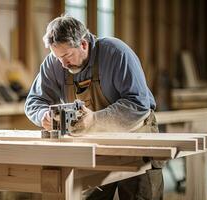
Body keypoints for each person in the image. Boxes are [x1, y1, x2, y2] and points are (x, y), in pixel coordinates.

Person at [25, 15, 163, 200]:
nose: (63, 64)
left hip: (135, 136)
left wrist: (95, 119)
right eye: (57, 57)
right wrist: (43, 115)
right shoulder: (54, 63)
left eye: (67, 56)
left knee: (140, 195)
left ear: (83, 44)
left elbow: (138, 104)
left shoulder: (116, 53)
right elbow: (34, 101)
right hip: (92, 144)